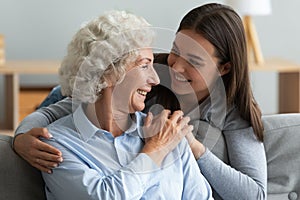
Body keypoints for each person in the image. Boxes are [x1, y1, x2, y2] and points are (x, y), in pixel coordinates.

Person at [14, 3, 267, 200]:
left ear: (224, 68)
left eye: (194, 61)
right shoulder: (142, 70)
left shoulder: (232, 112)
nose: (175, 67)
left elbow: (252, 194)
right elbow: (70, 97)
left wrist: (192, 146)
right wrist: (22, 135)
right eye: (175, 51)